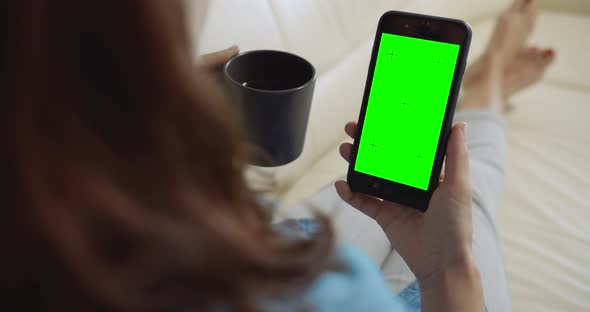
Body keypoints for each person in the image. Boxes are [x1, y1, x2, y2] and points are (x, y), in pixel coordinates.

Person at [0, 1, 553, 312]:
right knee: (466, 196)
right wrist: (447, 269)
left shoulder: (48, 211)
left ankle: (482, 86)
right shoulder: (338, 297)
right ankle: (488, 81)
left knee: (378, 198)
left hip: (263, 243)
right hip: (303, 277)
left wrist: (149, 138)